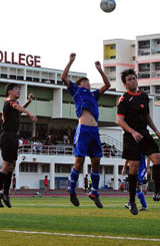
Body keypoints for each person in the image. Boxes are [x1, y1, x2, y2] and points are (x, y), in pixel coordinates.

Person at [117, 69, 160, 215]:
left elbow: (147, 117)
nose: (132, 81)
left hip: (144, 134)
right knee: (133, 167)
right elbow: (120, 121)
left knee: (157, 158)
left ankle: (158, 192)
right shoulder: (124, 99)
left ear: (137, 80)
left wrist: (157, 131)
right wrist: (133, 132)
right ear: (125, 84)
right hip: (130, 135)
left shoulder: (143, 97)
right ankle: (132, 202)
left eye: (133, 78)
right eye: (129, 79)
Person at [62, 53, 110, 208]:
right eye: (85, 81)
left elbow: (107, 85)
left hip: (94, 131)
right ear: (80, 84)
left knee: (96, 162)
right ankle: (72, 189)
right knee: (80, 161)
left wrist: (100, 70)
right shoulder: (76, 91)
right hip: (83, 129)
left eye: (88, 82)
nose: (87, 83)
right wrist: (70, 61)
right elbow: (64, 77)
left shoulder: (93, 94)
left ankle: (94, 193)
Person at [0, 83, 37, 208]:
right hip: (7, 136)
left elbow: (18, 110)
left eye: (19, 89)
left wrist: (28, 102)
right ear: (9, 91)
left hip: (13, 137)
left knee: (12, 165)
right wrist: (29, 113)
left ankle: (5, 193)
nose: (19, 91)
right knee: (6, 164)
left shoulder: (13, 106)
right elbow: (16, 106)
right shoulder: (9, 102)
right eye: (16, 89)